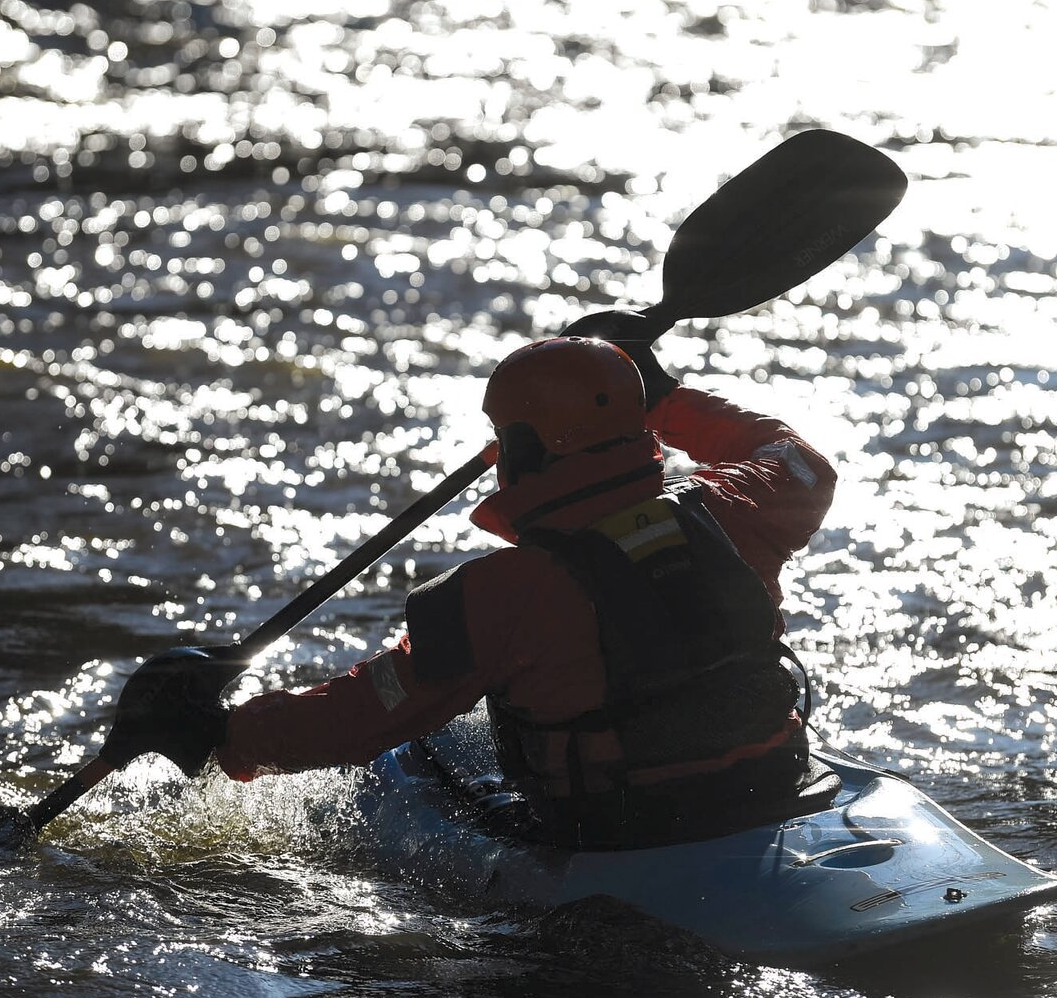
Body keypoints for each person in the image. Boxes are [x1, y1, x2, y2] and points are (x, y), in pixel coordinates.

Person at [103, 319, 837, 848]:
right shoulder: (741, 506)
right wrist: (667, 395)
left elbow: (373, 712)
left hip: (622, 830)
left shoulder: (498, 592)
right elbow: (792, 453)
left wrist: (225, 734)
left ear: (518, 446)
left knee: (428, 750)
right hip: (768, 784)